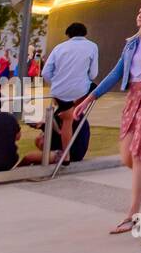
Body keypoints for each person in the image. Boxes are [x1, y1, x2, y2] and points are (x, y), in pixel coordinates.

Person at [74, 0, 141, 234]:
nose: (139, 15)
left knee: (139, 156)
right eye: (139, 11)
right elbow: (116, 72)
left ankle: (133, 217)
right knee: (127, 157)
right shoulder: (131, 44)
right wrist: (90, 98)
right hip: (131, 99)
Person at [41, 23, 100, 167]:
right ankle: (73, 109)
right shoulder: (92, 46)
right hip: (80, 90)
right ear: (84, 33)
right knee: (94, 87)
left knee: (66, 121)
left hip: (59, 92)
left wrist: (56, 81)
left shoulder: (59, 47)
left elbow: (45, 73)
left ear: (68, 34)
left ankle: (65, 156)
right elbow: (93, 74)